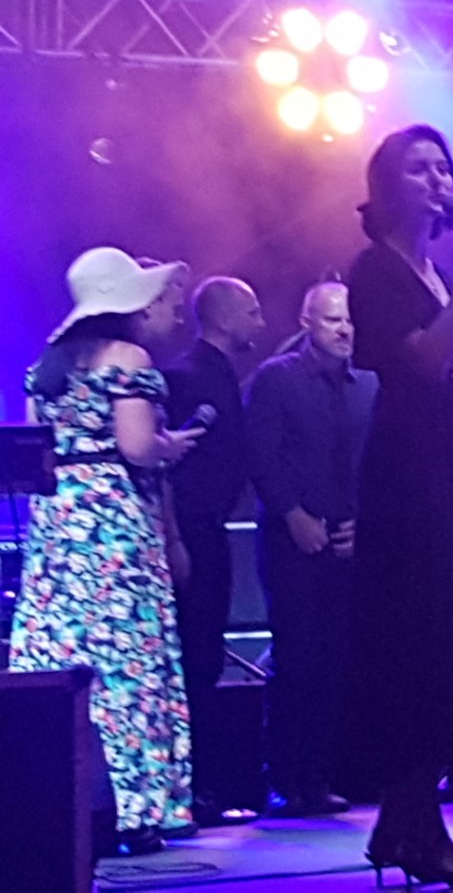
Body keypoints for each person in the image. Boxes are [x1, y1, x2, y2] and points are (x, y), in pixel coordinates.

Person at [342, 124, 453, 890]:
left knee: (440, 640)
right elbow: (416, 359)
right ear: (387, 185)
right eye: (419, 168)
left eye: (444, 166)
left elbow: (438, 360)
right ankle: (421, 831)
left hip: (438, 460)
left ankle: (401, 822)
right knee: (419, 642)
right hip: (402, 474)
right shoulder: (374, 268)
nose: (438, 179)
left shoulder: (429, 269)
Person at [11, 247, 202, 856]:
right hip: (113, 523)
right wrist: (171, 446)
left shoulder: (45, 366)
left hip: (58, 524)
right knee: (127, 661)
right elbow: (138, 446)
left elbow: (37, 445)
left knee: (63, 660)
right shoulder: (128, 359)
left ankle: (61, 801)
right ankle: (137, 810)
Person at [244, 280, 376, 818]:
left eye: (349, 320)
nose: (344, 329)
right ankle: (283, 778)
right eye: (332, 320)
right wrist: (293, 515)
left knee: (334, 662)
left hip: (348, 540)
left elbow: (379, 465)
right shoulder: (276, 379)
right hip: (290, 538)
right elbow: (261, 456)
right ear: (306, 323)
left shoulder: (369, 385)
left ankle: (318, 778)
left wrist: (364, 524)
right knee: (295, 658)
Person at [163, 276, 267, 827]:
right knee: (195, 658)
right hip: (192, 532)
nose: (260, 322)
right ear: (225, 318)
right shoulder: (185, 377)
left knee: (204, 657)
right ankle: (193, 790)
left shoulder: (218, 373)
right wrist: (175, 538)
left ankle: (200, 788)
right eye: (252, 312)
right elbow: (167, 469)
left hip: (210, 530)